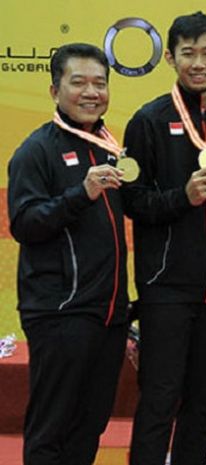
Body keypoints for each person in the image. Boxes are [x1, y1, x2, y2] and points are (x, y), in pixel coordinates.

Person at [121, 12, 206, 465]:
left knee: (203, 403)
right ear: (171, 57)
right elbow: (132, 201)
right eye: (189, 53)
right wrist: (183, 197)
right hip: (166, 288)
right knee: (159, 398)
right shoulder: (148, 120)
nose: (199, 63)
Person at [7, 42, 129, 465]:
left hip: (108, 314)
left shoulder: (109, 146)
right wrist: (82, 193)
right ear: (55, 90)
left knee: (89, 424)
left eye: (99, 83)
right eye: (78, 83)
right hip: (60, 312)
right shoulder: (36, 150)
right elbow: (24, 223)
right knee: (51, 427)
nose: (91, 92)